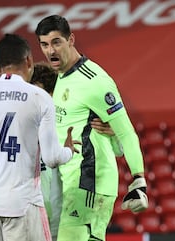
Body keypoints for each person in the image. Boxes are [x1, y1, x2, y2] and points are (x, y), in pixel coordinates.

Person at [35, 15, 148, 241]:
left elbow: (126, 131)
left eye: (56, 42)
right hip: (73, 185)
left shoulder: (94, 81)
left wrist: (139, 180)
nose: (50, 51)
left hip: (89, 184)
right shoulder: (60, 78)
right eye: (44, 44)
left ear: (71, 40)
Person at [0, 33, 80, 241]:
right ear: (29, 60)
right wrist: (68, 151)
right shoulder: (38, 97)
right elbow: (51, 158)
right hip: (22, 203)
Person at [31, 62, 124, 240]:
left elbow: (119, 150)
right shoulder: (22, 129)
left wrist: (115, 131)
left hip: (65, 218)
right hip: (33, 221)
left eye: (40, 95)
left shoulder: (73, 122)